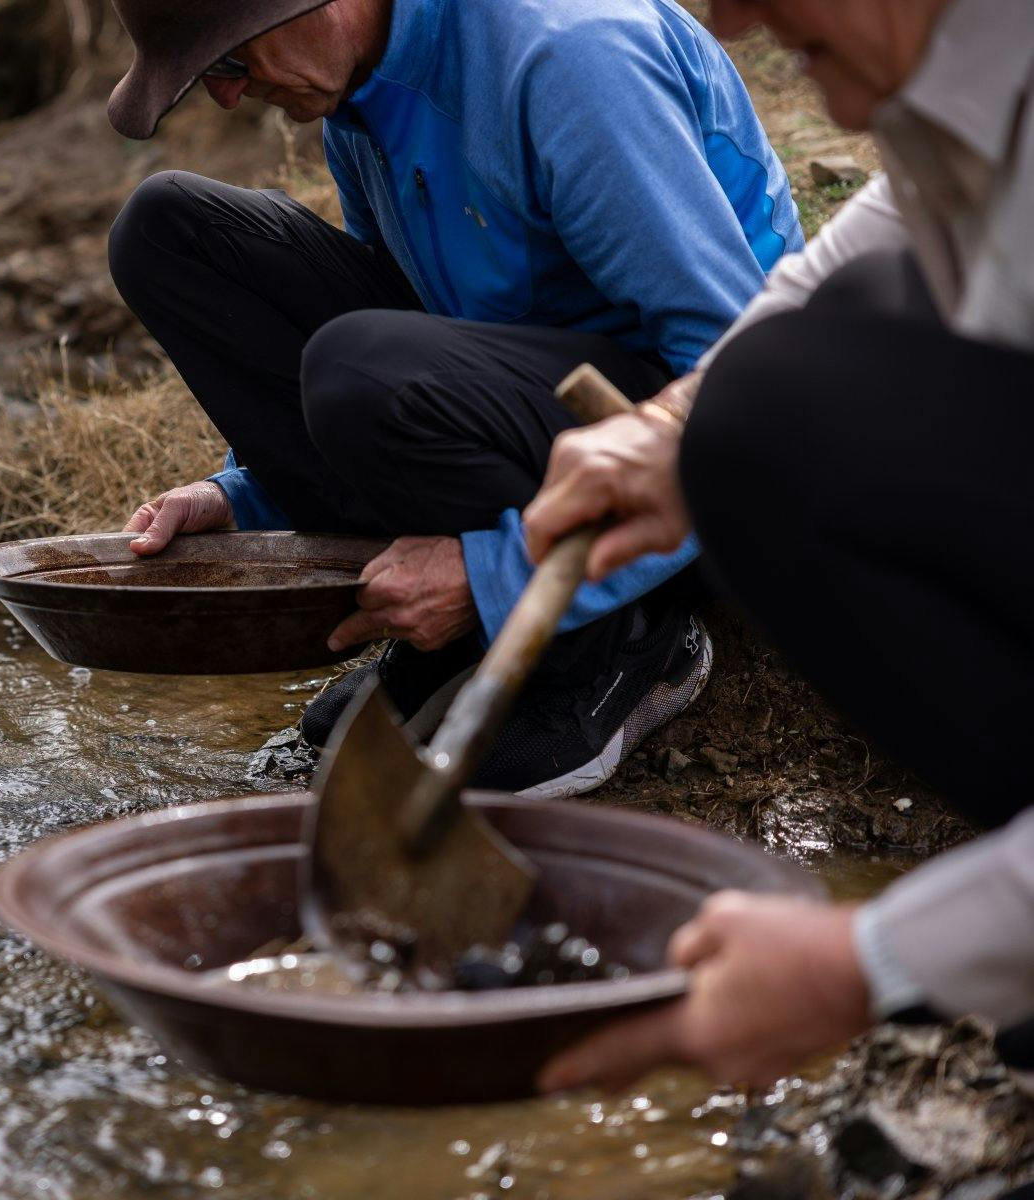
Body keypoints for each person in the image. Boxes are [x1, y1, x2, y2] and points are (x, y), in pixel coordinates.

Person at [523, 0, 1033, 1102]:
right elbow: (878, 237)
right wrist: (666, 430)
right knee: (765, 411)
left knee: (772, 410)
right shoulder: (967, 70)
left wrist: (867, 962)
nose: (727, 17)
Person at [102, 0, 803, 796]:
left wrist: (495, 574)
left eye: (227, 60)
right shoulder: (361, 97)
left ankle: (614, 643)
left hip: (698, 475)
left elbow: (747, 385)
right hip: (541, 426)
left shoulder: (570, 57)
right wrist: (240, 493)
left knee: (356, 360)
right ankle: (460, 643)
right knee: (165, 230)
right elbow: (409, 348)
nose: (227, 96)